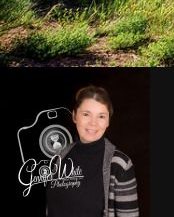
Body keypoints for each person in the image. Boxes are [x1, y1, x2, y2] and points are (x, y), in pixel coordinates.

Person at [46, 86, 139, 217]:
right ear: (74, 116)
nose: (93, 123)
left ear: (108, 121)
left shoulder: (120, 164)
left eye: (101, 116)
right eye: (86, 114)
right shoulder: (61, 156)